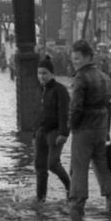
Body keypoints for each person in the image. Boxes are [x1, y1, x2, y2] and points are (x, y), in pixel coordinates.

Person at [67, 39, 111, 220]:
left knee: (79, 168)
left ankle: (76, 207)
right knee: (103, 166)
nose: (75, 62)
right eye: (73, 59)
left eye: (78, 59)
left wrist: (71, 126)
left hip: (84, 128)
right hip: (101, 127)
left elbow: (76, 107)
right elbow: (109, 105)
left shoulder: (81, 77)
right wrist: (107, 130)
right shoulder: (105, 77)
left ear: (88, 57)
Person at [34, 55, 71, 203]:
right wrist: (34, 132)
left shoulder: (60, 90)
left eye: (44, 73)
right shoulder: (41, 90)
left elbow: (64, 112)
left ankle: (69, 186)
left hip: (55, 132)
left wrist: (63, 133)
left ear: (52, 74)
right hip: (41, 131)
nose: (41, 76)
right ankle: (40, 198)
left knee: (53, 164)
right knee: (39, 166)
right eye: (39, 73)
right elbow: (38, 113)